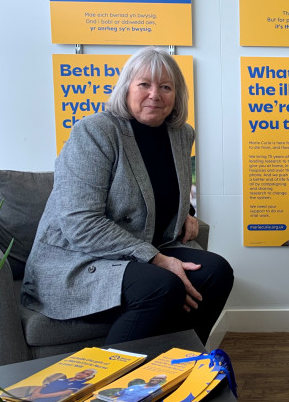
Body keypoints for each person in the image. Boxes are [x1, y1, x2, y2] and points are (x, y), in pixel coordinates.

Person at [22, 47, 234, 346]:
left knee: (217, 272)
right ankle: (111, 386)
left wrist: (187, 213)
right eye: (144, 84)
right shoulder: (95, 131)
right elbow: (80, 222)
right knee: (160, 286)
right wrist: (156, 258)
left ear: (177, 95)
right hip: (79, 257)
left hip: (144, 247)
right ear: (126, 89)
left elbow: (160, 188)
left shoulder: (181, 134)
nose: (155, 94)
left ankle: (179, 366)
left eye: (165, 87)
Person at [27, 369, 97, 402]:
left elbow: (64, 393)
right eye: (83, 372)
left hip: (46, 401)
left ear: (89, 377)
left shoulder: (79, 384)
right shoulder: (62, 378)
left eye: (87, 374)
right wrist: (35, 393)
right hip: (34, 397)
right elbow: (44, 385)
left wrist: (41, 396)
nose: (83, 374)